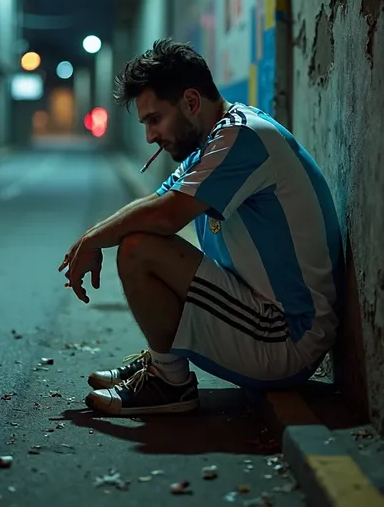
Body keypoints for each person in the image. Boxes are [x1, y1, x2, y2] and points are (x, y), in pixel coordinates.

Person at [58, 39, 344, 416]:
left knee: (138, 248)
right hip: (260, 316)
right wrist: (97, 234)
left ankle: (169, 381)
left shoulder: (243, 136)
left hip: (288, 336)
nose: (150, 136)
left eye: (155, 119)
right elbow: (156, 202)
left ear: (191, 102)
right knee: (137, 235)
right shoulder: (213, 143)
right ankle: (164, 362)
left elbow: (165, 215)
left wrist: (95, 239)